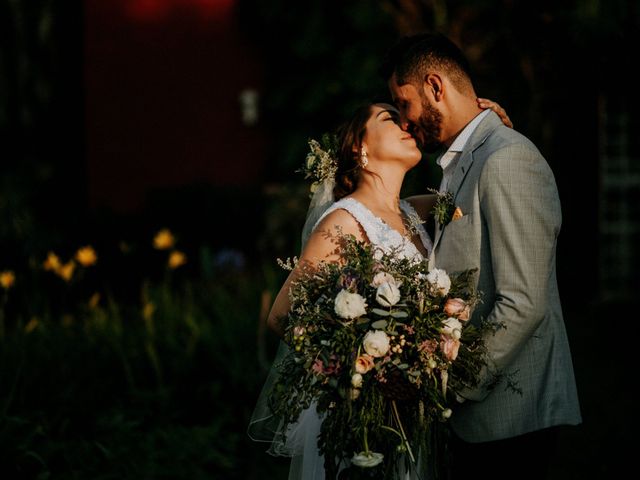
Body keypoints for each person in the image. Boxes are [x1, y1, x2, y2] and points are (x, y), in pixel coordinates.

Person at [248, 97, 513, 479]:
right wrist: (362, 370)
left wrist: (496, 134)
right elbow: (281, 316)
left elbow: (482, 187)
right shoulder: (342, 221)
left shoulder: (417, 211)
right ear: (360, 146)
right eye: (390, 118)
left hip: (412, 417)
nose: (408, 125)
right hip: (363, 420)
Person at [381, 32, 582, 480]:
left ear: (435, 86)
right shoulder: (464, 162)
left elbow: (523, 303)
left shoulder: (507, 158)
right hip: (480, 424)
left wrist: (448, 387)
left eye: (404, 103)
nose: (405, 121)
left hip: (511, 418)